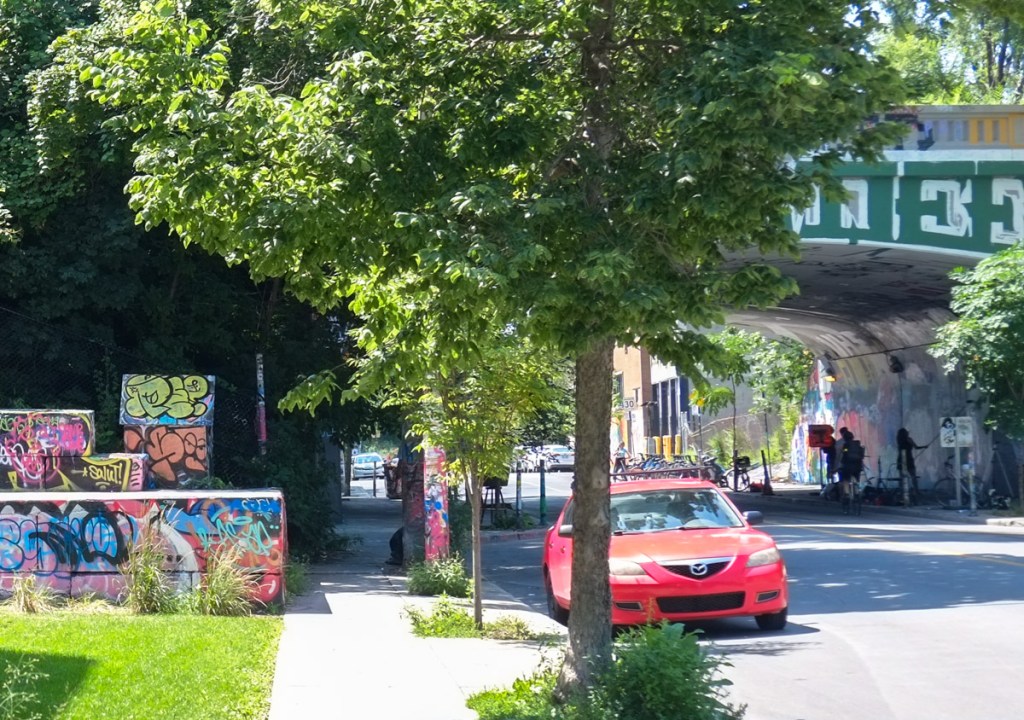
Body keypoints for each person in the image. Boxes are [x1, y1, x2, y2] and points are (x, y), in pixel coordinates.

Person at [896, 428, 928, 495]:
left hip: (901, 459)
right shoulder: (909, 439)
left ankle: (902, 492)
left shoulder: (899, 440)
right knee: (913, 476)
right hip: (908, 460)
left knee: (902, 477)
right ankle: (916, 491)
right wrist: (924, 447)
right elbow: (916, 447)